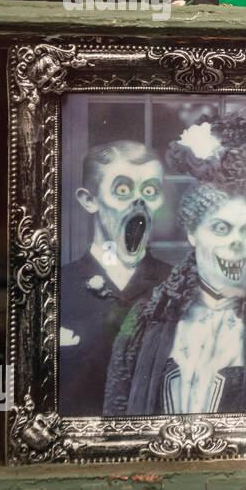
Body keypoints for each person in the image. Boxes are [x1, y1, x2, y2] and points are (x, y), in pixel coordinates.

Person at [103, 109, 246, 415]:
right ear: (192, 233)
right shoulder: (143, 321)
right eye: (220, 228)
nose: (235, 242)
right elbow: (115, 419)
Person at [59, 140, 172, 416]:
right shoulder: (56, 288)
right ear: (90, 200)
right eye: (122, 189)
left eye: (150, 190)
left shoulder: (177, 286)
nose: (139, 201)